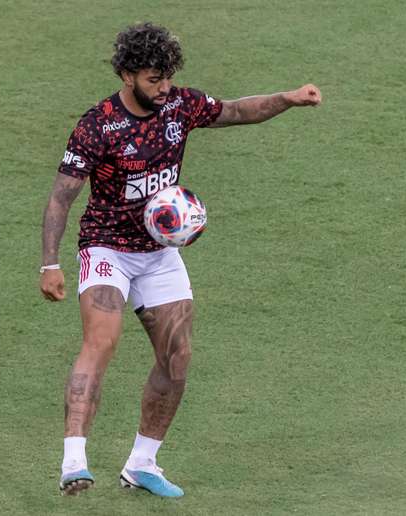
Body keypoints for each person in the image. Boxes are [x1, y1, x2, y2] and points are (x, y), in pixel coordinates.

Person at [39, 22, 322, 498]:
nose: (164, 87)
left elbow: (234, 111)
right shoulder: (98, 126)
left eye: (167, 77)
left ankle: (142, 464)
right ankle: (74, 461)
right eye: (154, 79)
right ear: (127, 74)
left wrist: (288, 98)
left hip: (159, 252)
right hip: (108, 248)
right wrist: (50, 263)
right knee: (101, 343)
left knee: (178, 356)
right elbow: (60, 199)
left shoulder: (179, 106)